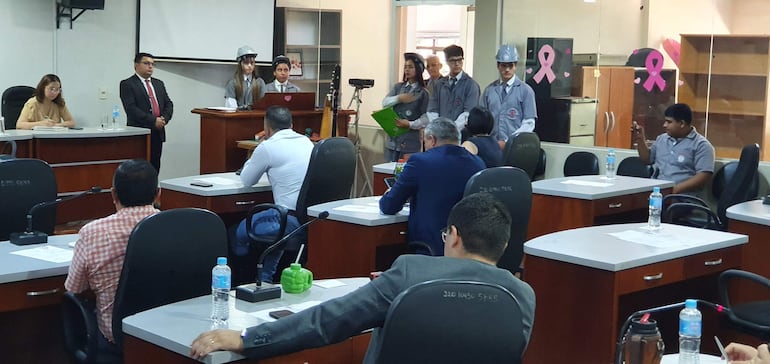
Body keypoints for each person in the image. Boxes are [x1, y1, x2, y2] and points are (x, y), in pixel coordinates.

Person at [190, 192, 536, 362]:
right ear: (503, 244)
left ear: (455, 235)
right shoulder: (524, 296)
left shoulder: (409, 273)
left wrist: (247, 338)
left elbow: (327, 321)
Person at [65, 159, 160, 352]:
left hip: (115, 337)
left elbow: (76, 287)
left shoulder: (92, 233)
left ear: (113, 194)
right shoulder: (173, 226)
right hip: (164, 334)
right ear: (158, 194)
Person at [232, 105, 314, 283]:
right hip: (307, 219)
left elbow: (247, 180)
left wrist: (257, 151)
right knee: (275, 234)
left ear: (266, 128)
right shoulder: (306, 142)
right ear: (291, 124)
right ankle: (266, 278)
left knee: (236, 231)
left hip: (286, 219)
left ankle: (242, 280)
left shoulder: (268, 147)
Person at [380, 118, 484, 255]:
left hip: (428, 247)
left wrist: (389, 194)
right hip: (467, 248)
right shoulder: (478, 163)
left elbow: (389, 206)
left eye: (425, 141)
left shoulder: (420, 161)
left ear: (432, 139)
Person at [632, 103, 715, 194]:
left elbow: (704, 175)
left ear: (682, 123)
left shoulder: (701, 145)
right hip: (657, 192)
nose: (664, 125)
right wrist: (640, 139)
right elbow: (647, 159)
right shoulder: (662, 139)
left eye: (669, 122)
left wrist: (675, 190)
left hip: (682, 197)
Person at [120, 52, 174, 173]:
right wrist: (153, 120)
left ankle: (153, 191)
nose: (150, 66)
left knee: (154, 167)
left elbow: (168, 104)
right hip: (139, 132)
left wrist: (163, 119)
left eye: (152, 64)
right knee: (138, 169)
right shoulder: (127, 84)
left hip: (157, 132)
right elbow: (131, 109)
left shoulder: (158, 83)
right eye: (146, 63)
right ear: (136, 65)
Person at [480, 44, 537, 148]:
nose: (507, 69)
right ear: (498, 66)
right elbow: (482, 120)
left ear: (515, 66)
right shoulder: (489, 90)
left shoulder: (526, 91)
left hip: (516, 146)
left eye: (510, 65)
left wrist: (509, 141)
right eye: (504, 65)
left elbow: (529, 123)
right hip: (492, 145)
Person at [418, 45, 480, 132]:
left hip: (461, 135)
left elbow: (468, 113)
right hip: (440, 134)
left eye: (459, 60)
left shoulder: (471, 85)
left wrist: (451, 130)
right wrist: (440, 128)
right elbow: (432, 111)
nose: (457, 64)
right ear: (447, 62)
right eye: (453, 61)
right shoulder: (439, 85)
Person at [384, 52, 429, 161]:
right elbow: (385, 102)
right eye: (405, 67)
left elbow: (426, 118)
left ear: (418, 69)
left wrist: (410, 124)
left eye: (410, 67)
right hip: (393, 141)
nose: (407, 70)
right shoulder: (398, 87)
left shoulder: (423, 93)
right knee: (388, 171)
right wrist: (399, 98)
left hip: (410, 142)